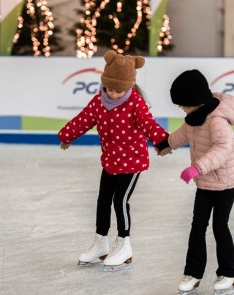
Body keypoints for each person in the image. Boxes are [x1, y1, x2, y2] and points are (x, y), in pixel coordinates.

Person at [58, 50, 171, 271]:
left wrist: (162, 142)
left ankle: (124, 243)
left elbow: (149, 124)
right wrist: (66, 135)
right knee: (102, 200)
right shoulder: (99, 101)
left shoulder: (135, 103)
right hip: (110, 161)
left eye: (119, 90)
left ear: (129, 87)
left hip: (133, 162)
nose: (114, 94)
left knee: (120, 201)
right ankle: (101, 242)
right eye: (110, 88)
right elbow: (83, 119)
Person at [165, 69, 234, 295]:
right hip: (205, 182)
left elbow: (223, 148)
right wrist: (165, 144)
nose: (180, 107)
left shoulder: (217, 121)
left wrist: (197, 167)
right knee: (197, 226)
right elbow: (181, 135)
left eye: (182, 104)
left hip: (226, 181)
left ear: (195, 101)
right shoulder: (194, 118)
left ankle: (229, 272)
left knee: (220, 226)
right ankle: (193, 273)